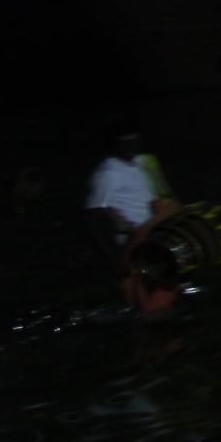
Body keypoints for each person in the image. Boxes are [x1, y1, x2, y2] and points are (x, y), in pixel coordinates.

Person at [86, 122, 184, 315]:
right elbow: (93, 217)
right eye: (126, 143)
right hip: (136, 241)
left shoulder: (140, 164)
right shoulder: (108, 173)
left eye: (135, 142)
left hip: (155, 236)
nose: (132, 147)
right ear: (114, 145)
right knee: (149, 298)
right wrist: (117, 261)